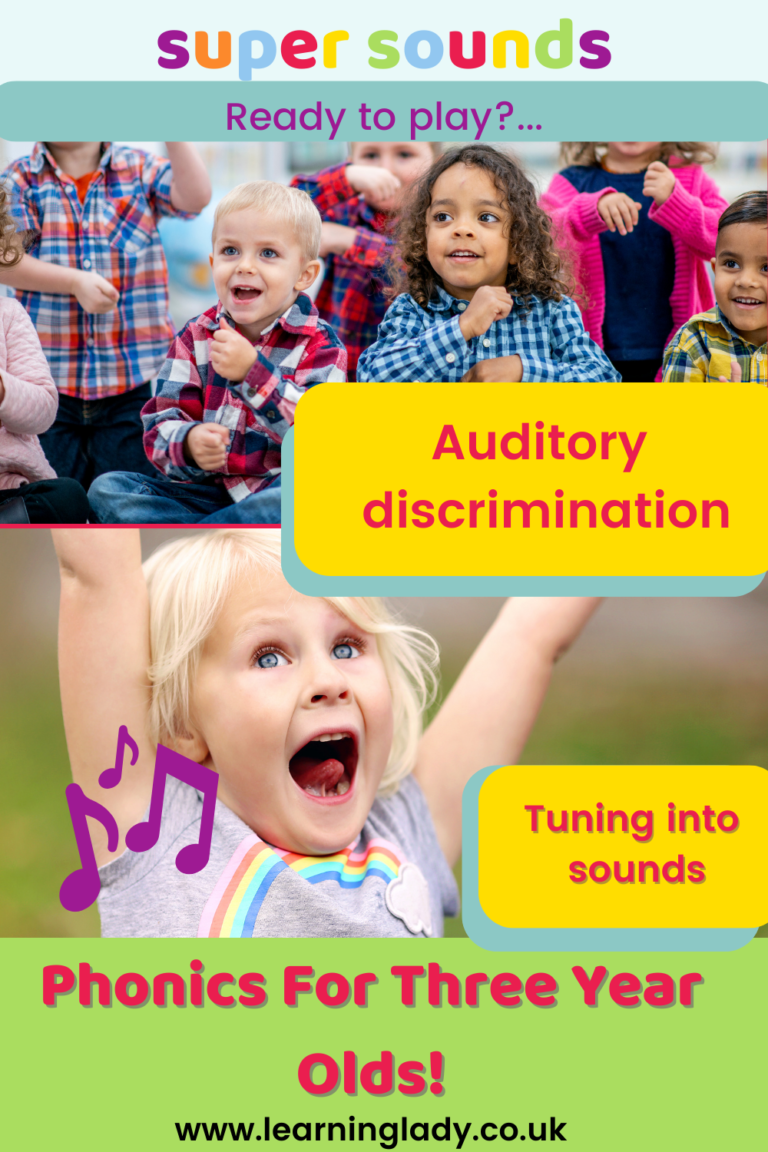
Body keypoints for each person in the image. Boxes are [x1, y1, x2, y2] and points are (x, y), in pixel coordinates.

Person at [52, 527, 599, 938]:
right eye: (269, 657)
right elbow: (93, 576)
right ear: (182, 727)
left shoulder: (406, 830)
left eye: (346, 647)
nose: (329, 680)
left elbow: (531, 633)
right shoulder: (158, 838)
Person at [87, 182, 347, 525]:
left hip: (273, 491)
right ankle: (220, 535)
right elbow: (159, 424)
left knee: (305, 496)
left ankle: (203, 539)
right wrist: (190, 442)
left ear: (304, 275)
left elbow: (321, 440)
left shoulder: (321, 345)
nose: (245, 266)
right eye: (230, 251)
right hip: (203, 496)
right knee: (108, 489)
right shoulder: (195, 336)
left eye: (268, 253)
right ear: (212, 262)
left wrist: (254, 374)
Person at [0, 141, 211, 485]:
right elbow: (6, 260)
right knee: (59, 497)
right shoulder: (21, 178)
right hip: (51, 386)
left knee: (125, 495)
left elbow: (196, 197)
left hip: (129, 382)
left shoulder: (139, 168)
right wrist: (73, 282)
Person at [356, 144, 618, 384]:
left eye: (486, 216)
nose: (462, 229)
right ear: (423, 239)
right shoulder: (411, 311)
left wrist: (523, 371)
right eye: (443, 216)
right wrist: (462, 328)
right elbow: (372, 379)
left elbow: (604, 381)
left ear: (517, 243)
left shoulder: (553, 311)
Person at [540, 142, 728, 382]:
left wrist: (677, 201)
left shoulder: (690, 178)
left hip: (682, 351)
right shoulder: (570, 182)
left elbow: (725, 243)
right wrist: (587, 212)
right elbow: (539, 242)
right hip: (591, 352)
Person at [292, 142, 437, 378]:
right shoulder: (342, 211)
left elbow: (423, 269)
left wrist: (349, 240)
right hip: (339, 372)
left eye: (404, 154)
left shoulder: (440, 220)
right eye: (370, 155)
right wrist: (345, 177)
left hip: (410, 378)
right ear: (352, 160)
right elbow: (282, 207)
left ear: (436, 163)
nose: (386, 169)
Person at [0, 186, 90, 523]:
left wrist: (4, 390)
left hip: (10, 490)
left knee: (67, 496)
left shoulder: (8, 314)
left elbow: (42, 412)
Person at [662, 191, 767, 383]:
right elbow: (671, 413)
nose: (745, 281)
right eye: (731, 264)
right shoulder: (694, 341)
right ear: (715, 269)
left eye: (766, 268)